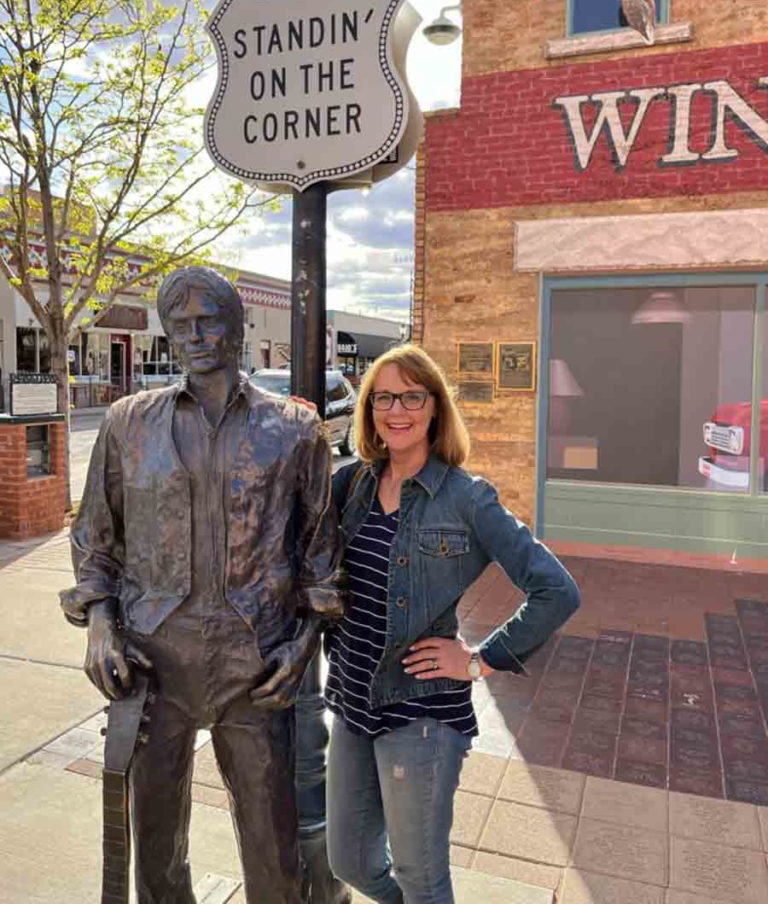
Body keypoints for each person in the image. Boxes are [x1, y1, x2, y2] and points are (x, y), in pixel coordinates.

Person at [60, 266, 343, 904]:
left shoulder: (293, 430)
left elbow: (320, 558)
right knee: (155, 846)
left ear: (237, 327)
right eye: (179, 323)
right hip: (154, 661)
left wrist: (303, 649)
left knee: (273, 848)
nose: (194, 334)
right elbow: (95, 540)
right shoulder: (128, 423)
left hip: (257, 663)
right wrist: (100, 626)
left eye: (207, 319)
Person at [324, 345, 580, 904]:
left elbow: (557, 590)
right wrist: (291, 425)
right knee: (348, 860)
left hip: (420, 714)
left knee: (420, 876)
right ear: (368, 410)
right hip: (351, 702)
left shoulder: (467, 498)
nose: (398, 410)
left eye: (412, 396)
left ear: (435, 408)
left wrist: (477, 660)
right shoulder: (354, 486)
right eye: (384, 398)